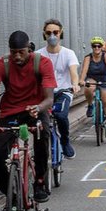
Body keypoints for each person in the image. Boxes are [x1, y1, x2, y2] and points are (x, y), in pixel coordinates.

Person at [0, 31, 55, 211]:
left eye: (21, 52)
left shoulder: (42, 63)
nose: (17, 56)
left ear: (29, 48)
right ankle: (11, 197)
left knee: (43, 133)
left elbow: (49, 98)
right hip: (10, 113)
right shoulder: (0, 65)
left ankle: (39, 182)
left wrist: (38, 108)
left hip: (35, 110)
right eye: (13, 52)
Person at [40, 19, 79, 159]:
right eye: (49, 33)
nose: (52, 36)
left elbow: (73, 72)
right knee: (39, 123)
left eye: (55, 32)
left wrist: (75, 84)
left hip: (64, 92)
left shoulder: (69, 53)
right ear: (44, 34)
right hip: (45, 93)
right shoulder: (38, 55)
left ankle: (65, 141)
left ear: (60, 33)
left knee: (61, 115)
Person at [81, 36, 106, 138]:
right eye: (94, 46)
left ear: (102, 47)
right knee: (88, 88)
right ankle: (90, 105)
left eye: (99, 46)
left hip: (105, 79)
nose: (96, 48)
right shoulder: (88, 58)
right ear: (92, 47)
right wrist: (81, 80)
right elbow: (84, 71)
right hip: (92, 78)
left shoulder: (105, 56)